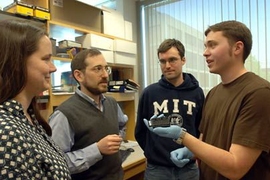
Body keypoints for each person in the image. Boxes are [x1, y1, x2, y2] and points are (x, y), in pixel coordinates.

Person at [144, 20, 270, 180]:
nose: (205, 52)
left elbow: (236, 167)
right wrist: (190, 152)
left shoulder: (258, 93)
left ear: (237, 47)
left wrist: (182, 136)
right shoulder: (213, 93)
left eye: (212, 45)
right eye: (205, 46)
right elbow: (205, 142)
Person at [0, 19, 71, 179]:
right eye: (46, 59)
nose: (53, 68)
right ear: (17, 62)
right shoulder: (5, 134)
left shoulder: (28, 117)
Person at [49, 48, 128, 180]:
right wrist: (97, 150)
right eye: (97, 69)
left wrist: (118, 139)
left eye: (105, 68)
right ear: (79, 75)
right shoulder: (64, 115)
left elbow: (122, 124)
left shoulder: (111, 103)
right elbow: (56, 163)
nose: (105, 75)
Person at [135, 38, 205, 180]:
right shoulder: (149, 93)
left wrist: (193, 152)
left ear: (183, 60)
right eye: (162, 61)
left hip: (188, 168)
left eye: (172, 60)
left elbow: (202, 129)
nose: (167, 65)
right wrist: (153, 153)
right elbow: (141, 132)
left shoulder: (197, 93)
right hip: (157, 170)